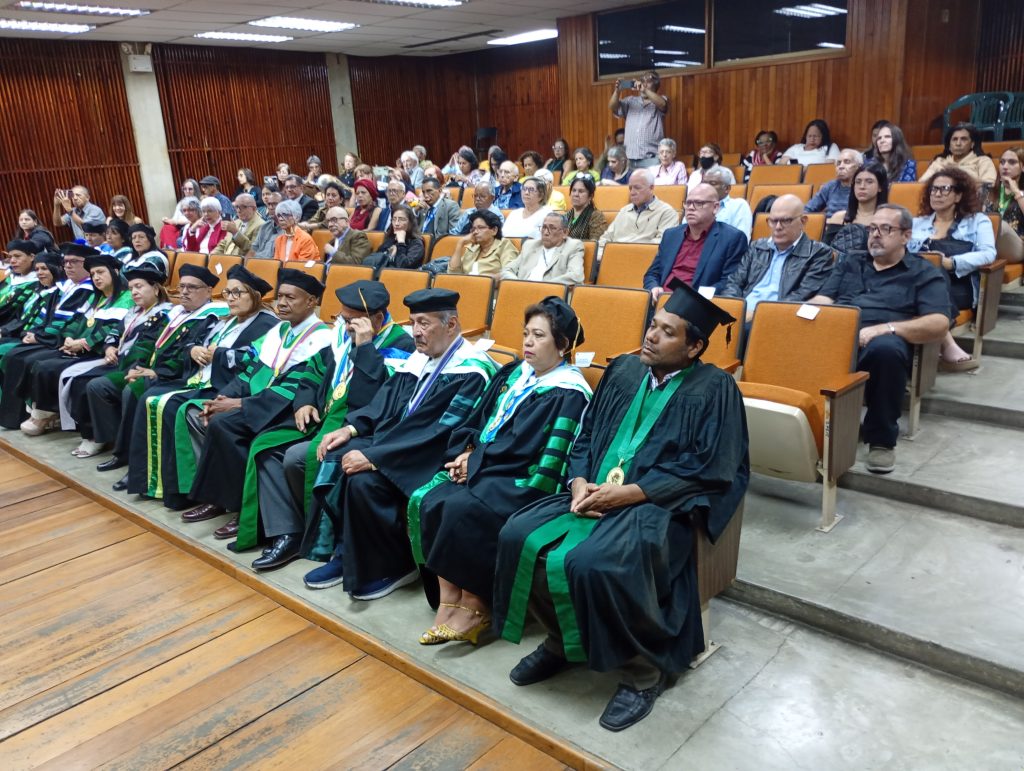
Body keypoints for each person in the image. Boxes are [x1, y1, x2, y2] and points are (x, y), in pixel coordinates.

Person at [492, 283, 748, 732]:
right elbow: (587, 434)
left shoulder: (715, 389)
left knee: (595, 562)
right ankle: (561, 640)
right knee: (518, 536)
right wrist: (577, 483)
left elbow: (712, 467)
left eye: (667, 332)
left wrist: (631, 493)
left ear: (694, 347)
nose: (651, 335)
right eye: (653, 324)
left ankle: (642, 672)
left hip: (659, 506)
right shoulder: (624, 370)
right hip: (593, 492)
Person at [411, 299, 592, 645]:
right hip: (491, 465)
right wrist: (467, 451)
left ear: (563, 345)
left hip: (525, 478)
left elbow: (525, 447)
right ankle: (449, 600)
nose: (528, 342)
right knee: (434, 499)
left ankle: (477, 605)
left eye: (539, 335)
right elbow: (479, 419)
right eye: (526, 334)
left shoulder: (567, 391)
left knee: (463, 509)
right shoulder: (514, 373)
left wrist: (476, 462)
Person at [299, 288, 498, 597]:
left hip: (431, 455)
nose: (415, 332)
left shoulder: (471, 369)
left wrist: (376, 457)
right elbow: (386, 401)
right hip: (398, 444)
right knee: (337, 453)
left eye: (424, 323)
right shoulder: (420, 359)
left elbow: (438, 431)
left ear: (450, 324)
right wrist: (351, 429)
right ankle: (344, 552)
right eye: (413, 322)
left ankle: (395, 566)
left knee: (364, 481)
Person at [237, 280, 415, 568]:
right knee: (265, 448)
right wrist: (304, 401)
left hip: (359, 425)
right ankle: (289, 532)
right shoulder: (342, 335)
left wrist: (365, 346)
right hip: (323, 415)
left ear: (377, 319)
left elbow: (374, 399)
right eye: (342, 317)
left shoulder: (401, 346)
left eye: (351, 320)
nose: (344, 325)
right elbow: (313, 369)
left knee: (296, 457)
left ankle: (318, 535)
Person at [179, 269, 333, 524]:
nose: (281, 303)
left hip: (288, 410)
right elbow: (250, 372)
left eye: (290, 297)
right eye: (280, 296)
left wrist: (240, 405)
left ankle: (243, 509)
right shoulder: (279, 330)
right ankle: (219, 500)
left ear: (311, 301)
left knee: (225, 425)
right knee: (213, 418)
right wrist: (222, 399)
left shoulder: (321, 338)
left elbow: (294, 388)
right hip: (261, 404)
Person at [811, 205, 950, 474]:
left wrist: (885, 328)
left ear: (906, 236)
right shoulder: (851, 261)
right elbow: (824, 299)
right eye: (872, 228)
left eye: (885, 229)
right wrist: (799, 314)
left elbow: (939, 322)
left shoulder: (923, 272)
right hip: (838, 334)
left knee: (886, 350)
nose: (875, 235)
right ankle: (805, 423)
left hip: (882, 340)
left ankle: (881, 441)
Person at [129, 265, 279, 509]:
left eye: (238, 293)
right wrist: (194, 349)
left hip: (227, 387)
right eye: (228, 293)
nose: (231, 298)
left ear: (255, 296)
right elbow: (195, 342)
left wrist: (218, 353)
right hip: (201, 379)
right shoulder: (226, 321)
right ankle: (154, 481)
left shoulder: (267, 324)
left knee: (171, 406)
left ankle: (184, 490)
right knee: (151, 398)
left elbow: (254, 361)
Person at [93, 263, 229, 491]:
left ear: (208, 291)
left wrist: (157, 372)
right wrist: (139, 366)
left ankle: (138, 467)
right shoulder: (175, 313)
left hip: (181, 376)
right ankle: (125, 455)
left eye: (192, 288)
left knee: (134, 391)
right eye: (182, 286)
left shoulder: (211, 317)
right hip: (156, 370)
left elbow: (186, 354)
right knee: (128, 385)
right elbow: (149, 341)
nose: (184, 292)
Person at [61, 262, 172, 457]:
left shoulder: (165, 315)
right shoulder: (134, 312)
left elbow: (145, 349)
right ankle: (99, 435)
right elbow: (114, 332)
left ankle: (104, 438)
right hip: (118, 362)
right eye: (131, 288)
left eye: (139, 287)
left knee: (95, 385)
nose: (134, 292)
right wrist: (109, 347)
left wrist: (130, 366)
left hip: (135, 367)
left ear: (155, 289)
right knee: (78, 380)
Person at [16, 252, 132, 436]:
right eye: (93, 274)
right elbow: (75, 321)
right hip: (77, 348)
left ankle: (46, 415)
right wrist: (69, 338)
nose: (96, 277)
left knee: (49, 367)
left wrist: (84, 343)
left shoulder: (127, 299)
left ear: (115, 272)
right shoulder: (95, 298)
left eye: (101, 272)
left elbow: (112, 330)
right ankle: (42, 412)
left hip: (97, 352)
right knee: (38, 363)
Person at [0, 244, 97, 430]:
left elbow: (69, 324)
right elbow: (46, 319)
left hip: (62, 342)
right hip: (51, 338)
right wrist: (34, 334)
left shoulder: (87, 289)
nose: (68, 266)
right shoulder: (65, 288)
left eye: (74, 262)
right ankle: (17, 413)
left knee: (22, 357)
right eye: (66, 262)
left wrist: (39, 338)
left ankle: (38, 413)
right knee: (15, 355)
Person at [908, 168, 996, 372]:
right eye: (933, 189)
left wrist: (953, 263)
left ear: (958, 195)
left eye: (944, 189)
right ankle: (947, 342)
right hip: (918, 285)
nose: (936, 194)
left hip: (958, 288)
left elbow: (988, 253)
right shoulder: (917, 223)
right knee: (928, 268)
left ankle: (942, 345)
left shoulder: (977, 221)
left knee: (934, 267)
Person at [720, 194, 836, 323]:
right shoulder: (757, 247)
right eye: (773, 221)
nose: (778, 227)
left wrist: (757, 315)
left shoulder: (819, 253)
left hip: (775, 319)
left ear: (803, 221)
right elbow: (734, 282)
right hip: (741, 314)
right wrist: (733, 309)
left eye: (786, 221)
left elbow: (802, 295)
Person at [643, 183, 747, 301]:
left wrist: (694, 296)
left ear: (715, 207)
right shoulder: (671, 235)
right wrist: (654, 287)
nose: (691, 208)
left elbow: (729, 282)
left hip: (697, 303)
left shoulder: (732, 238)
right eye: (688, 203)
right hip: (661, 299)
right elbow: (652, 274)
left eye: (699, 203)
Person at [0, 250, 63, 364]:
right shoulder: (38, 291)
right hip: (23, 335)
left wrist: (35, 336)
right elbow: (20, 318)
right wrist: (4, 331)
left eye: (44, 269)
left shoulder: (59, 295)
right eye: (37, 269)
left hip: (40, 340)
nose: (39, 273)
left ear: (57, 269)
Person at [598, 169, 679, 248]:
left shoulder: (667, 212)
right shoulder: (624, 211)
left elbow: (663, 243)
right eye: (630, 188)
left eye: (637, 188)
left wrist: (632, 251)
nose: (632, 192)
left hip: (644, 255)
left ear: (651, 188)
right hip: (615, 254)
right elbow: (605, 238)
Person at [826, 163, 890, 260]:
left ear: (880, 187)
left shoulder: (888, 220)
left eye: (869, 182)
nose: (862, 186)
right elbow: (825, 253)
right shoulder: (839, 218)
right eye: (858, 182)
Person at [501, 213, 585, 285]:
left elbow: (576, 276)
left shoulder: (573, 246)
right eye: (544, 227)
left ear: (565, 232)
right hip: (523, 291)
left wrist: (542, 287)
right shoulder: (530, 246)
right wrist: (519, 284)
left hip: (551, 294)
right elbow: (507, 270)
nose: (546, 232)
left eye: (552, 228)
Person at [610, 71, 668, 169]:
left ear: (656, 85)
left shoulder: (661, 99)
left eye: (648, 82)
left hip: (651, 158)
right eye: (642, 81)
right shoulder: (630, 100)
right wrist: (617, 91)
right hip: (629, 158)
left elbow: (663, 104)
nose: (644, 84)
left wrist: (644, 90)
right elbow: (612, 107)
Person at [920, 123, 997, 187]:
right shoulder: (940, 162)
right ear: (949, 145)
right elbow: (921, 184)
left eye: (963, 139)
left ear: (972, 144)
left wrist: (957, 172)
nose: (958, 143)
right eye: (954, 139)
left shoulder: (983, 161)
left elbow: (990, 185)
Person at [449, 210, 519, 278]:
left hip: (491, 285)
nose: (475, 232)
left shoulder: (504, 245)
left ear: (494, 230)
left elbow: (508, 274)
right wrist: (460, 243)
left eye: (480, 228)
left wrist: (484, 280)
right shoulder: (472, 248)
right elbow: (453, 273)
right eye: (473, 229)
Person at [987, 147, 1024, 264]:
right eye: (1002, 162)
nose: (1005, 166)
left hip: (1018, 245)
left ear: (1022, 167)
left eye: (1012, 162)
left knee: (1000, 225)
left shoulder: (1021, 193)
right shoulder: (989, 191)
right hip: (989, 243)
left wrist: (1016, 192)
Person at [364, 205, 426, 272]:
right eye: (394, 219)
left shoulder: (416, 243)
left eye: (401, 219)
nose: (396, 223)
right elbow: (376, 260)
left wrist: (401, 243)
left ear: (410, 223)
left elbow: (404, 267)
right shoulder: (390, 239)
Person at [805, 148, 864, 216]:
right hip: (829, 221)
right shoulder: (830, 186)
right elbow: (808, 209)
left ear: (859, 166)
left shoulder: (863, 187)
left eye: (847, 162)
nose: (841, 166)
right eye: (838, 163)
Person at [0, 240, 41, 331]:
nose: (12, 261)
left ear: (32, 257)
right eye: (10, 257)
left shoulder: (37, 284)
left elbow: (18, 315)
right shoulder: (9, 278)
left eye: (17, 256)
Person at [704, 169, 753, 240]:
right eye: (704, 183)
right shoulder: (695, 205)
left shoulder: (738, 205)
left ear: (727, 188)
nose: (706, 187)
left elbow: (741, 240)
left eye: (713, 183)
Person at [212, 193, 265, 258]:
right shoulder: (236, 222)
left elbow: (253, 250)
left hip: (241, 262)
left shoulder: (261, 225)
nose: (238, 210)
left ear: (254, 208)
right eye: (236, 207)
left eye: (243, 207)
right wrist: (211, 256)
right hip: (225, 259)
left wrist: (235, 232)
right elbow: (223, 244)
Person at [566, 176, 609, 241]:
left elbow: (595, 243)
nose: (576, 194)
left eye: (581, 191)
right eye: (574, 190)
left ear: (590, 196)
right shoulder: (566, 216)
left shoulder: (597, 217)